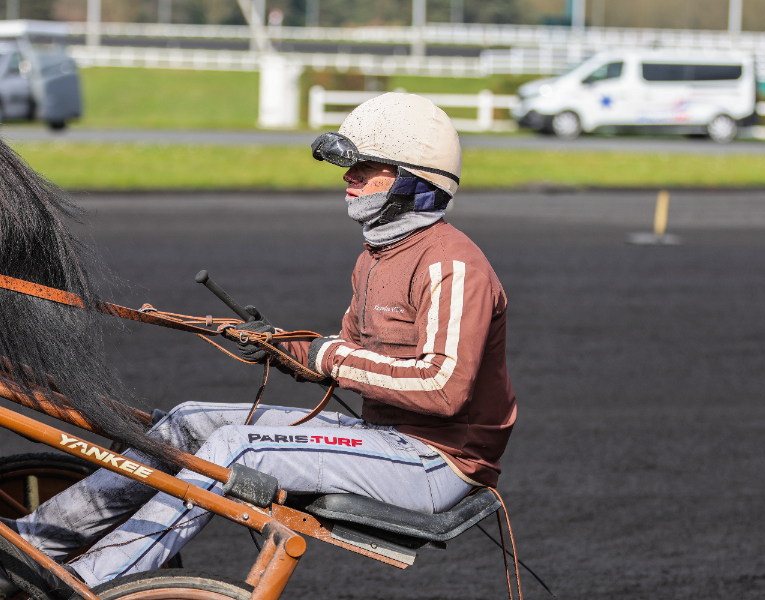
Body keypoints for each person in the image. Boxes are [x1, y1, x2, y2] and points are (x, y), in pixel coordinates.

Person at [0, 92, 516, 594]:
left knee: (234, 446)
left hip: (435, 463)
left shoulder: (452, 265)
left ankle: (84, 582)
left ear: (410, 180)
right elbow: (351, 356)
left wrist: (323, 354)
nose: (347, 179)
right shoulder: (377, 257)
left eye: (365, 169)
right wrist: (281, 347)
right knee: (186, 421)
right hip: (384, 438)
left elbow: (442, 387)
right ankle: (28, 547)